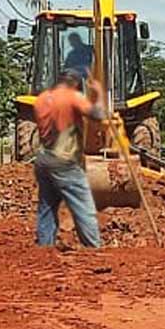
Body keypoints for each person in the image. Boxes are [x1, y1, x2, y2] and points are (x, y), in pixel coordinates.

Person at [33, 70, 108, 248]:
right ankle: (94, 249)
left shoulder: (42, 98)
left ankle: (44, 248)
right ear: (74, 83)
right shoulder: (72, 97)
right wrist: (99, 94)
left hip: (43, 159)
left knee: (47, 206)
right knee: (84, 207)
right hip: (64, 161)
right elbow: (99, 115)